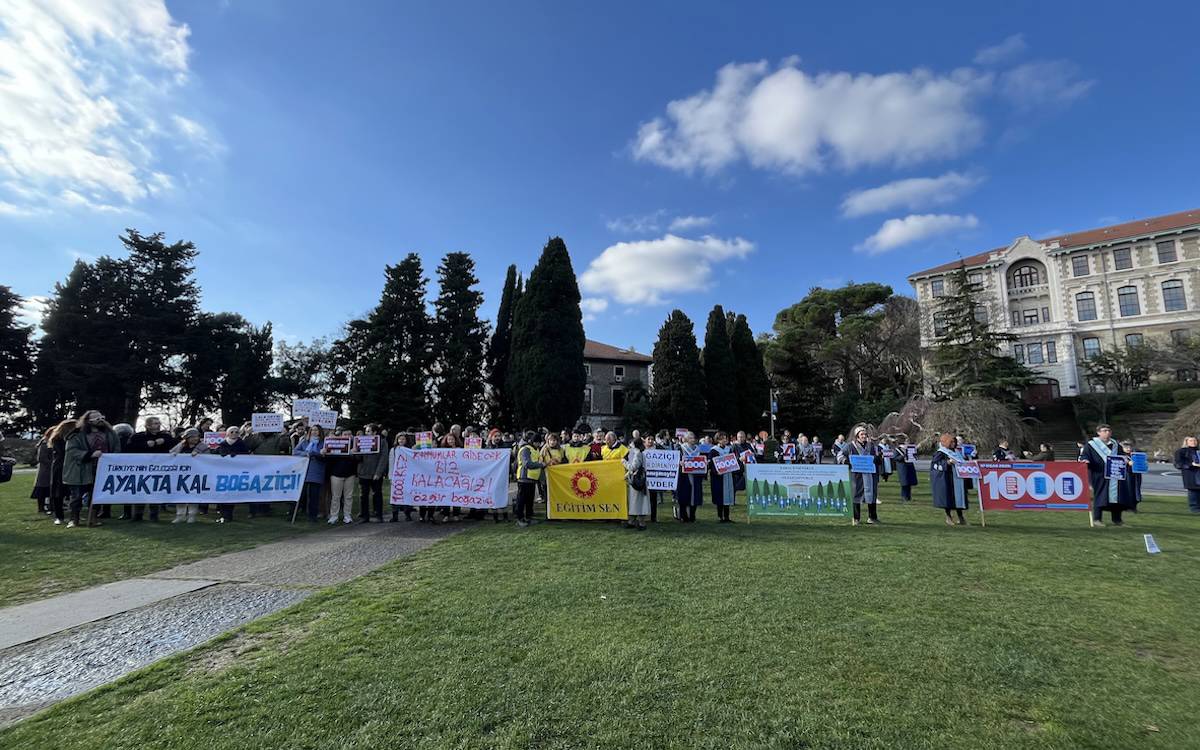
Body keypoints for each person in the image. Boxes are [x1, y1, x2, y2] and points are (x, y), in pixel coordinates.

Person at [63, 410, 122, 528]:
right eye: (96, 418)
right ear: (88, 421)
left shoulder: (110, 434)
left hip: (102, 469)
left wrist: (112, 458)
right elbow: (72, 451)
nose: (99, 420)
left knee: (96, 495)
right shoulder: (77, 435)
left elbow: (116, 448)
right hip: (81, 470)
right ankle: (74, 519)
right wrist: (90, 454)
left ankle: (93, 518)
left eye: (101, 417)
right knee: (77, 497)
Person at [1079, 424, 1134, 527]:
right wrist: (1085, 460)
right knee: (1100, 495)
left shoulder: (1115, 444)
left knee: (1117, 497)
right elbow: (1084, 455)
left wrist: (1127, 460)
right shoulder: (1091, 444)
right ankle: (1097, 519)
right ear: (1099, 432)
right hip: (1099, 474)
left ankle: (1117, 519)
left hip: (1115, 474)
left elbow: (1123, 456)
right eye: (1104, 431)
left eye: (1109, 430)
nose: (1107, 432)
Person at [127, 416, 174, 521]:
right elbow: (129, 448)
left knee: (155, 491)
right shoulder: (138, 437)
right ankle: (137, 515)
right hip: (141, 468)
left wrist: (165, 441)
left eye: (158, 423)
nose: (158, 425)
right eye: (155, 423)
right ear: (148, 425)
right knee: (140, 491)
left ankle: (154, 515)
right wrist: (145, 445)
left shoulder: (165, 436)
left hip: (159, 468)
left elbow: (175, 444)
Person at [244, 423, 292, 517]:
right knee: (254, 487)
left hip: (271, 465)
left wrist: (284, 436)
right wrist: (248, 435)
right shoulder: (255, 436)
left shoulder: (278, 436)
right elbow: (247, 446)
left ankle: (265, 509)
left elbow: (284, 446)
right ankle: (252, 511)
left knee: (267, 487)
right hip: (257, 465)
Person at [840, 425, 882, 526]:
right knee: (856, 495)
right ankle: (856, 518)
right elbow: (840, 454)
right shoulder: (850, 446)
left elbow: (879, 456)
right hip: (857, 475)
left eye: (865, 434)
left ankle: (872, 517)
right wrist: (845, 461)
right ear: (857, 436)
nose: (864, 436)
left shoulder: (872, 446)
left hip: (871, 475)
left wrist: (878, 458)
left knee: (872, 495)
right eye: (861, 434)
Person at [170, 429, 209, 522]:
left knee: (193, 494)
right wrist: (174, 455)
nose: (195, 438)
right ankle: (180, 515)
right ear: (187, 438)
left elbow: (208, 458)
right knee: (180, 494)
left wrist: (200, 455)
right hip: (181, 475)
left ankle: (192, 515)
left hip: (196, 474)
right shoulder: (180, 446)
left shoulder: (203, 447)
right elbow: (171, 454)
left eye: (197, 436)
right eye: (193, 437)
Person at [931, 433, 968, 525]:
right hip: (948, 479)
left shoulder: (957, 452)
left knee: (959, 499)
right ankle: (948, 517)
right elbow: (935, 464)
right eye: (951, 442)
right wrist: (947, 462)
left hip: (958, 478)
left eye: (954, 442)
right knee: (948, 499)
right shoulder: (941, 452)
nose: (953, 444)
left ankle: (961, 517)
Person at [324, 428, 359, 524]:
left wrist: (354, 453)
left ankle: (347, 515)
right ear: (341, 435)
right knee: (336, 496)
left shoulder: (355, 445)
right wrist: (348, 454)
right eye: (345, 434)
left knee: (348, 496)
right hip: (336, 474)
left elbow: (358, 459)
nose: (347, 436)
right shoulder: (334, 444)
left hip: (350, 474)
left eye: (349, 434)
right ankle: (334, 516)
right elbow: (331, 457)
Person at [356, 424, 389, 523]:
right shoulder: (361, 441)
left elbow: (383, 458)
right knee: (363, 495)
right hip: (363, 473)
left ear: (374, 432)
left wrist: (378, 473)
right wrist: (355, 452)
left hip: (375, 473)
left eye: (369, 431)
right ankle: (364, 516)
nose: (367, 433)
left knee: (377, 494)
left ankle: (379, 515)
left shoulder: (382, 442)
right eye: (366, 431)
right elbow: (358, 459)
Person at [294, 425, 326, 522]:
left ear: (320, 432)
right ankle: (294, 513)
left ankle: (313, 516)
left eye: (316, 430)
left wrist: (316, 454)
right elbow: (295, 451)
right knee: (301, 494)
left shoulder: (323, 443)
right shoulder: (305, 442)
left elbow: (324, 456)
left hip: (316, 471)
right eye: (312, 430)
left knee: (314, 495)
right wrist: (306, 454)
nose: (314, 432)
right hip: (304, 471)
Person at [515, 431, 544, 527]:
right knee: (521, 500)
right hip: (524, 478)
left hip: (532, 479)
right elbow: (527, 464)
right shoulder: (526, 449)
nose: (538, 444)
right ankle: (519, 519)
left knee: (529, 500)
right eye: (537, 442)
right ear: (532, 441)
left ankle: (528, 517)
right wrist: (541, 465)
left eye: (539, 442)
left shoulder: (535, 449)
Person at [47, 418, 73, 525]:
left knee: (71, 492)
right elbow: (63, 453)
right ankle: (59, 516)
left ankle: (72, 515)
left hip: (68, 467)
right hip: (60, 468)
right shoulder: (58, 440)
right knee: (58, 492)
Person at [676, 432, 705, 522]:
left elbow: (703, 460)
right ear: (686, 439)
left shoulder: (698, 449)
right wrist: (679, 463)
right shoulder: (680, 448)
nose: (693, 439)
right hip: (684, 476)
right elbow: (675, 460)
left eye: (693, 437)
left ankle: (692, 516)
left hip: (696, 476)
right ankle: (683, 516)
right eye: (690, 438)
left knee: (695, 496)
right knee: (684, 496)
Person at [708, 431, 736, 523]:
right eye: (722, 438)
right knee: (720, 496)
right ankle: (720, 516)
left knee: (727, 495)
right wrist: (716, 472)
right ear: (718, 440)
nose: (725, 440)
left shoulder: (729, 449)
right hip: (719, 477)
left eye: (726, 438)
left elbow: (733, 461)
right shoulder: (714, 450)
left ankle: (727, 517)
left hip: (728, 476)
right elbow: (711, 464)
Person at [624, 437, 649, 530]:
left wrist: (623, 462)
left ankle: (640, 523)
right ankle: (633, 521)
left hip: (637, 481)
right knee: (637, 501)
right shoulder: (639, 453)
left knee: (638, 501)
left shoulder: (638, 454)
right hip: (639, 480)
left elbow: (633, 467)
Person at [1173, 436, 1200, 514]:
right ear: (1186, 442)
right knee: (1193, 491)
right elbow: (1178, 464)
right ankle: (1195, 509)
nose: (1193, 442)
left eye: (1195, 440)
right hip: (1191, 474)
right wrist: (1191, 464)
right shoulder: (1181, 451)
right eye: (1191, 440)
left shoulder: (1198, 451)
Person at [31, 426, 54, 515]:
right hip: (44, 470)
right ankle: (41, 508)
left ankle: (50, 506)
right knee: (41, 490)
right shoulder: (44, 444)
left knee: (49, 489)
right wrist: (52, 463)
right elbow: (41, 458)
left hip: (49, 469)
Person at [1120, 440, 1143, 511]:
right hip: (1126, 475)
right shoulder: (1121, 455)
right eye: (1126, 447)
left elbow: (1142, 463)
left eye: (1129, 447)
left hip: (1136, 475)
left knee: (1136, 490)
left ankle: (1134, 506)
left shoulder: (1136, 454)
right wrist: (1126, 462)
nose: (1128, 448)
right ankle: (1127, 506)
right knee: (1128, 490)